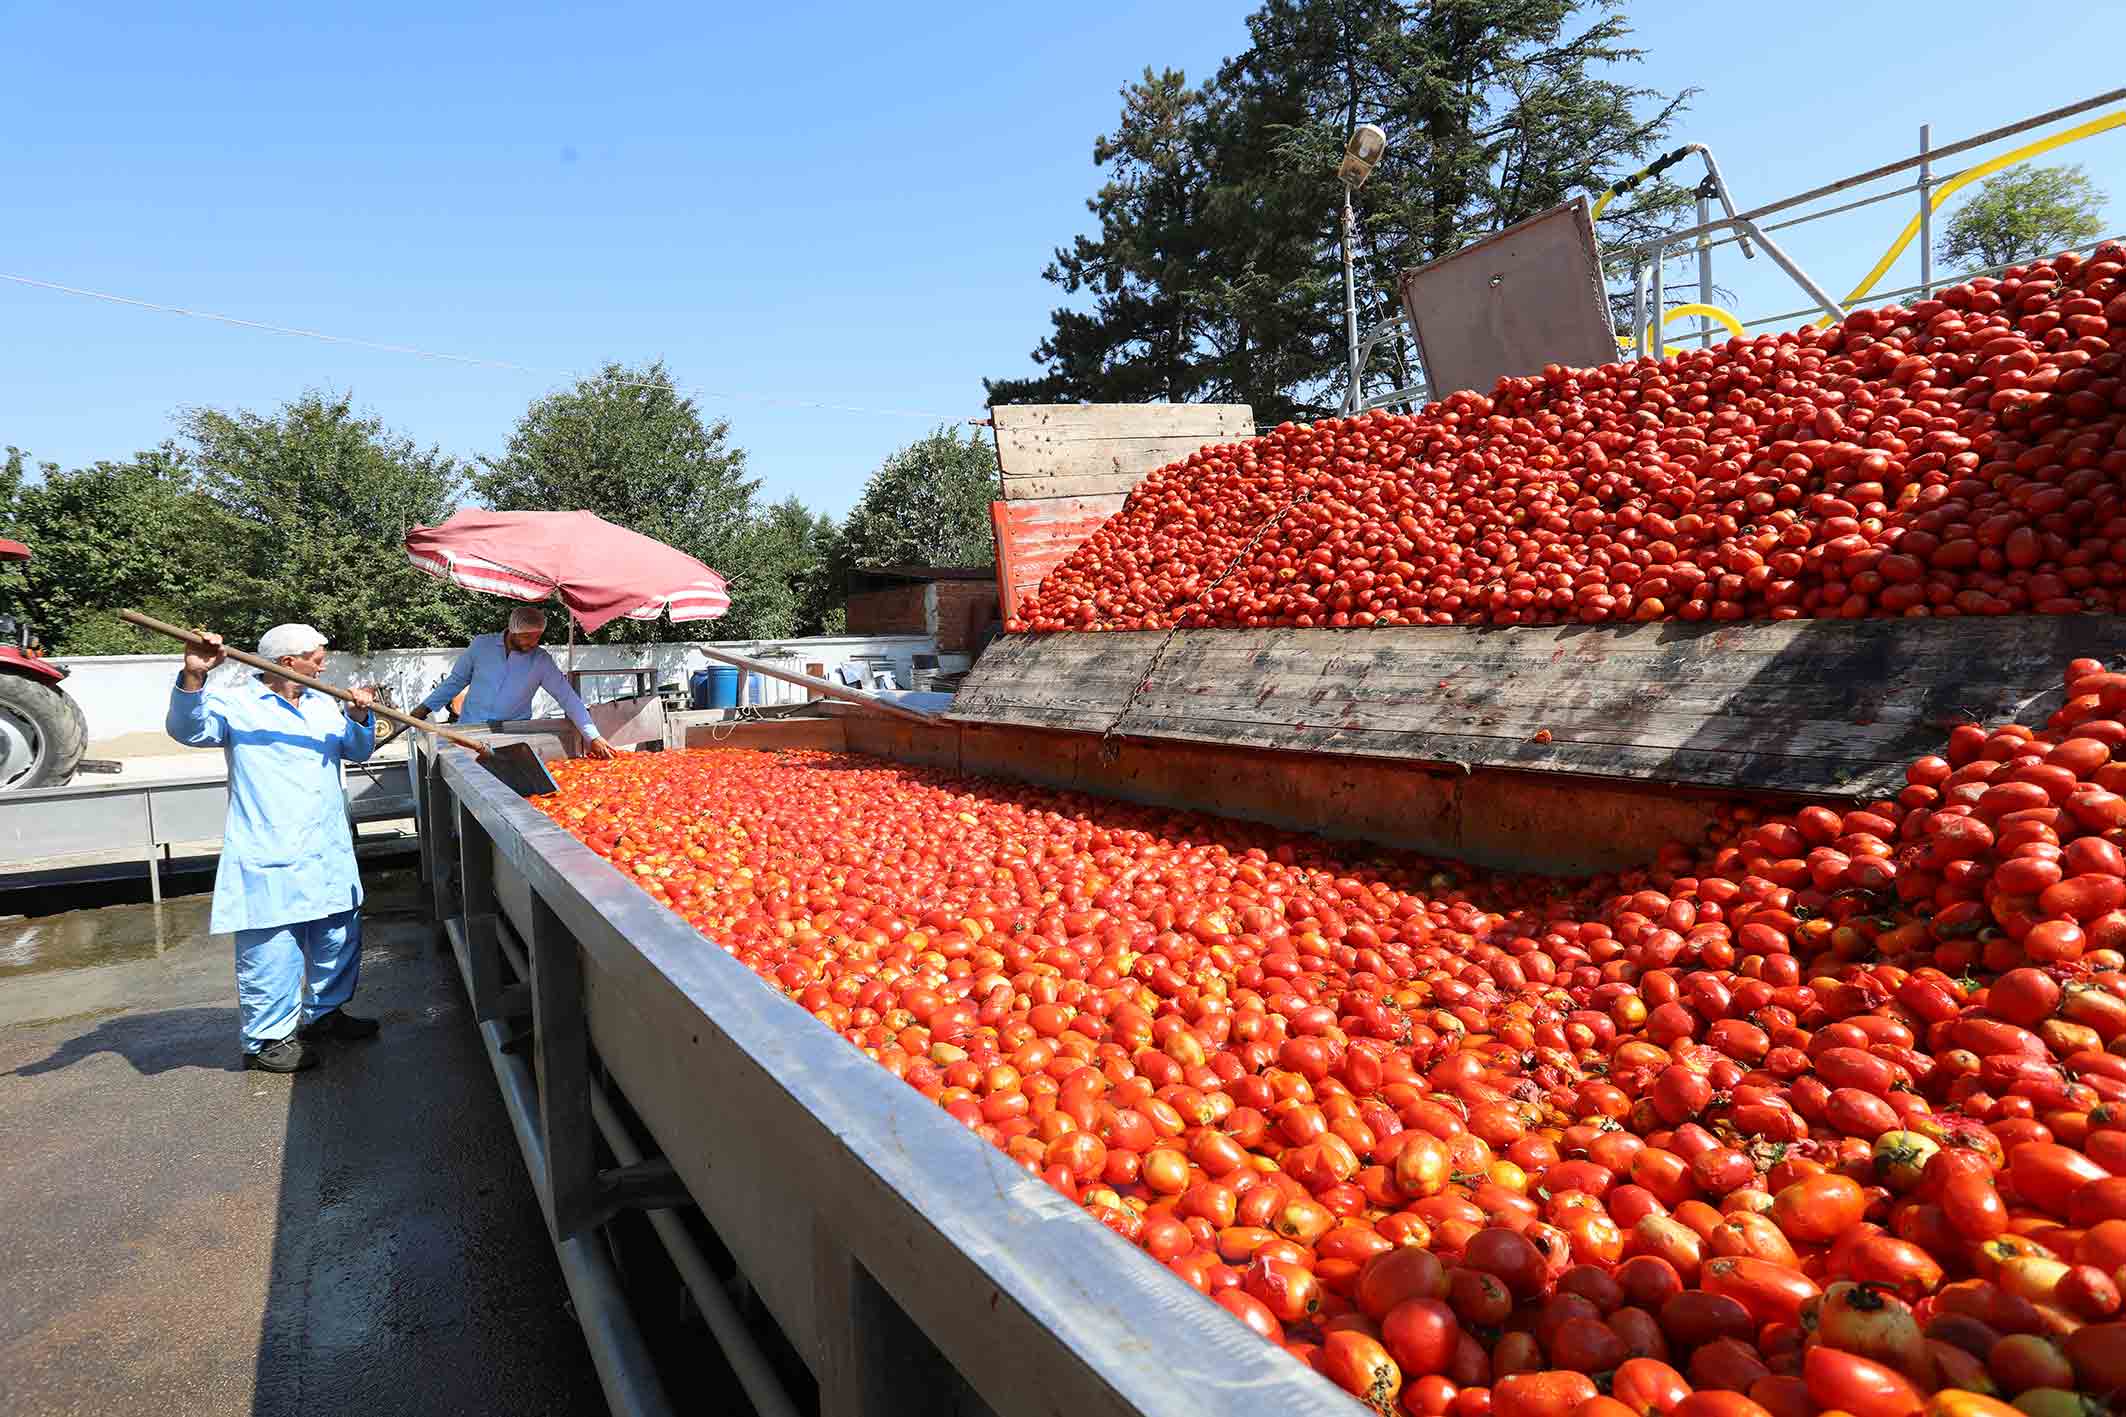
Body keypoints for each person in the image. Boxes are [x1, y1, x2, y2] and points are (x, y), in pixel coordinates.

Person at [166, 623, 380, 1073]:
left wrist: (360, 718)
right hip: (270, 844)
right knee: (272, 947)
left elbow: (356, 750)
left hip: (326, 844)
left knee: (336, 935)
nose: (324, 663)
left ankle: (324, 1015)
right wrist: (194, 676)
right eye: (317, 657)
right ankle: (267, 1040)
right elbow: (187, 729)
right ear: (288, 662)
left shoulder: (323, 705)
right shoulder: (237, 704)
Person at [412, 607, 618, 758]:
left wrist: (593, 736)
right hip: (470, 730)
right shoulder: (481, 646)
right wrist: (424, 708)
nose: (533, 643)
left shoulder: (541, 660)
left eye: (537, 637)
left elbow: (568, 698)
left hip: (512, 734)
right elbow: (456, 681)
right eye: (527, 637)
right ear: (513, 630)